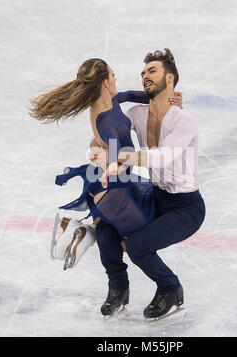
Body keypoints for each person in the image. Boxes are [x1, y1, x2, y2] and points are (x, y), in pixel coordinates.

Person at [29, 58, 182, 273]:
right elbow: (116, 154)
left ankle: (84, 230)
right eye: (113, 76)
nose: (115, 79)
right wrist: (114, 165)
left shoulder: (111, 103)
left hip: (117, 177)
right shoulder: (106, 120)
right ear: (105, 83)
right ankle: (80, 229)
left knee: (111, 228)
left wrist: (166, 98)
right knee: (139, 233)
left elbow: (131, 95)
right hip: (117, 183)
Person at [90, 48, 206, 319]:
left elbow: (163, 157)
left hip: (185, 208)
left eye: (152, 71)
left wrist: (121, 157)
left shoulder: (183, 120)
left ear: (170, 78)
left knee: (138, 245)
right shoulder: (137, 115)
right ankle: (118, 287)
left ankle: (170, 288)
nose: (144, 76)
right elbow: (112, 131)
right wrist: (98, 149)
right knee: (107, 229)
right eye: (142, 73)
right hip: (154, 196)